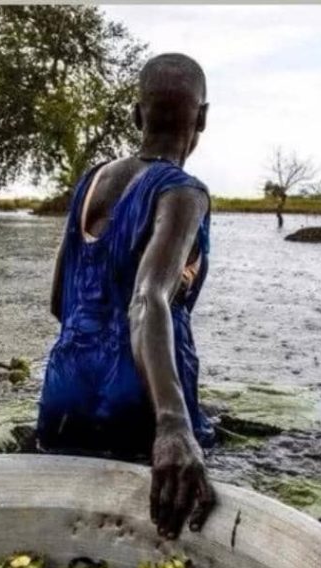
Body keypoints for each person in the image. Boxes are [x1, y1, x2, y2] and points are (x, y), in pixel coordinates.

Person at [37, 53, 215, 540]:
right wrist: (174, 423)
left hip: (62, 397)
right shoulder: (184, 193)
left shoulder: (91, 181)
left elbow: (60, 300)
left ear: (136, 116)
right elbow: (146, 300)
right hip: (137, 405)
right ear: (202, 118)